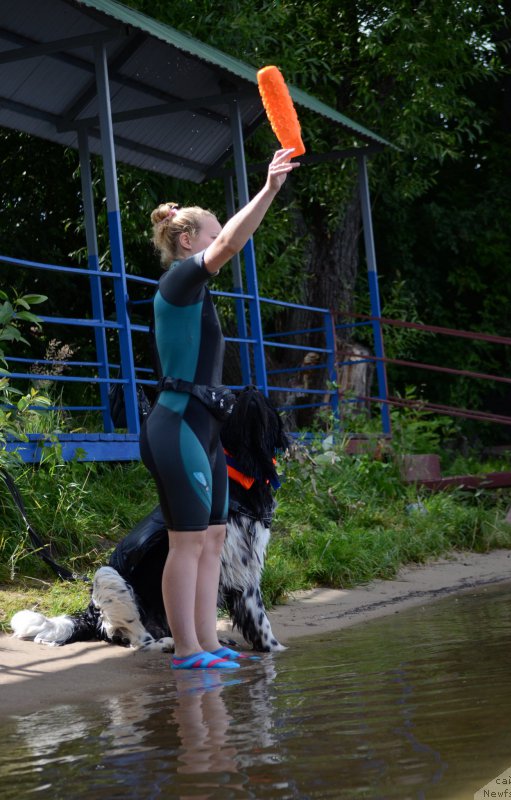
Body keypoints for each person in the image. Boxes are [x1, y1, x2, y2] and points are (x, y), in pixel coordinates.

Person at [140, 148, 299, 670]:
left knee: (211, 538)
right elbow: (233, 240)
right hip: (177, 426)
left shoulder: (197, 291)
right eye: (209, 234)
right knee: (185, 543)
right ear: (188, 241)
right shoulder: (180, 279)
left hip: (205, 430)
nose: (218, 241)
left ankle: (207, 643)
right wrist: (270, 188)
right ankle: (186, 650)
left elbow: (227, 240)